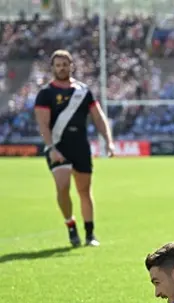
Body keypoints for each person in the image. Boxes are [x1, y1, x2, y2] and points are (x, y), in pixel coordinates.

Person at [34, 49, 115, 247]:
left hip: (80, 146)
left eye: (65, 64)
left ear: (72, 66)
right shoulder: (46, 93)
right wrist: (51, 147)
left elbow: (98, 117)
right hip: (58, 147)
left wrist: (109, 140)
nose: (62, 68)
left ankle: (89, 234)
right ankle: (70, 225)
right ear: (52, 68)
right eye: (58, 65)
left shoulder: (83, 91)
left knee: (84, 191)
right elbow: (43, 124)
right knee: (62, 188)